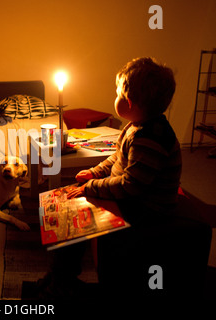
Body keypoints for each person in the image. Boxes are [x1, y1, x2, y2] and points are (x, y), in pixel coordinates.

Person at [37, 57, 181, 299]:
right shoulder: (136, 126)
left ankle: (61, 282)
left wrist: (90, 188)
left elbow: (130, 186)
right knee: (61, 202)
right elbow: (116, 159)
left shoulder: (150, 138)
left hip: (145, 207)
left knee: (71, 216)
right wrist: (95, 172)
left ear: (130, 102)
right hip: (131, 197)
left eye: (117, 93)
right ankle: (58, 275)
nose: (114, 96)